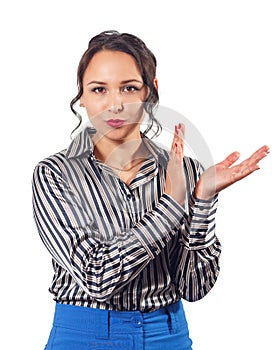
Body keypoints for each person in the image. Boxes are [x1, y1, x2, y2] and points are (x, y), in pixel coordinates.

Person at [32, 30, 269, 350]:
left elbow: (195, 287)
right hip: (83, 335)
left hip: (166, 334)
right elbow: (97, 278)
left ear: (150, 90)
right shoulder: (55, 174)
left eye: (128, 88)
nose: (114, 104)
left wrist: (202, 202)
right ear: (82, 96)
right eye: (99, 89)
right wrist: (171, 204)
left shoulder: (185, 171)